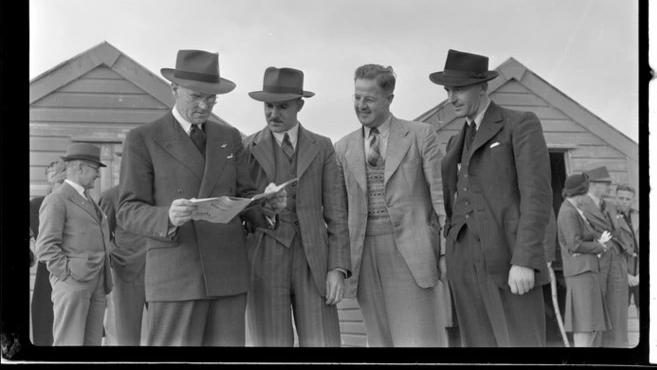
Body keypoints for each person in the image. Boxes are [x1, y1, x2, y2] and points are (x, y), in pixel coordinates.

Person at [116, 49, 286, 346]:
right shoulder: (143, 139)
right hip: (176, 276)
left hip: (227, 273)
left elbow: (244, 195)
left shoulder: (229, 136)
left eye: (212, 99)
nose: (204, 105)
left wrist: (266, 206)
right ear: (174, 89)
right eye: (196, 96)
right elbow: (127, 210)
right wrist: (166, 216)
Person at [430, 49, 552, 347]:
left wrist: (525, 260)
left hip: (508, 260)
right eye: (448, 90)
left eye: (459, 89)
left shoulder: (520, 124)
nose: (451, 98)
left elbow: (536, 198)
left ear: (483, 87)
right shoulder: (455, 141)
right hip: (464, 263)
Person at [335, 64, 446, 347]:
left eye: (369, 98)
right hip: (363, 256)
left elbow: (441, 198)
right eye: (357, 97)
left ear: (389, 99)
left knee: (420, 341)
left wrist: (445, 253)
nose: (361, 105)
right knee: (379, 342)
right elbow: (338, 212)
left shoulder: (421, 135)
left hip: (412, 252)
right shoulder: (343, 148)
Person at [243, 67, 351, 346]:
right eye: (268, 106)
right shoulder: (246, 148)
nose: (273, 114)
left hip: (313, 259)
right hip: (264, 259)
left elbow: (337, 212)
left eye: (283, 106)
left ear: (300, 105)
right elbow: (241, 210)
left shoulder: (323, 146)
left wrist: (337, 268)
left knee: (323, 344)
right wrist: (263, 208)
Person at [36, 143, 113, 346]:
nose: (97, 175)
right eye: (95, 169)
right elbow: (45, 247)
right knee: (68, 343)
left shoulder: (87, 199)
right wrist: (68, 275)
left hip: (97, 282)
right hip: (74, 283)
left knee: (92, 343)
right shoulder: (57, 199)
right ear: (79, 168)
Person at [578, 166, 635, 347]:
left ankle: (618, 348)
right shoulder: (580, 205)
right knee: (597, 309)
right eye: (605, 183)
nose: (609, 187)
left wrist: (625, 249)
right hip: (596, 261)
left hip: (616, 262)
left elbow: (619, 232)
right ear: (593, 185)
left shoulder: (610, 205)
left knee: (617, 308)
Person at [98, 151, 148, 346]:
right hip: (126, 270)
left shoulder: (157, 195)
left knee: (165, 330)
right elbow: (103, 237)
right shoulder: (111, 196)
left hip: (159, 270)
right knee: (126, 331)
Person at [557, 173, 612, 347]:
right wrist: (599, 246)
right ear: (579, 193)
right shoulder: (568, 213)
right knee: (584, 324)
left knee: (590, 323)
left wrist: (598, 240)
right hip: (580, 273)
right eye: (585, 193)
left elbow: (583, 238)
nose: (587, 198)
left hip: (586, 271)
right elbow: (574, 244)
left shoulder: (575, 211)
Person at [29, 160, 67, 346]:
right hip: (48, 272)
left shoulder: (81, 204)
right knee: (44, 330)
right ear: (50, 179)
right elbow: (43, 236)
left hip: (72, 274)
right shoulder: (37, 204)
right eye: (56, 175)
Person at [615, 184, 639, 318]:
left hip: (639, 271)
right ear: (616, 198)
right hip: (621, 272)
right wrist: (627, 275)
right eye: (621, 198)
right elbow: (613, 250)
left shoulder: (638, 216)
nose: (624, 202)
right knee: (619, 314)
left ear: (633, 200)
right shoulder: (610, 218)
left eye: (627, 199)